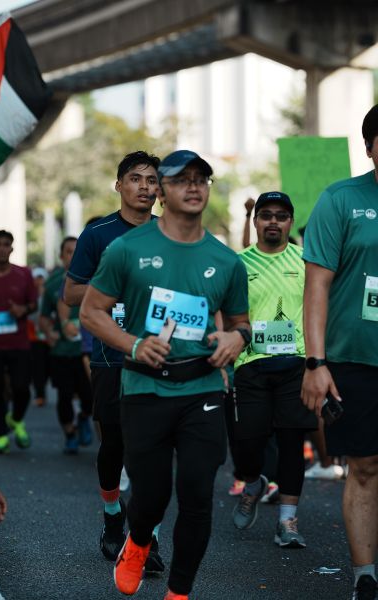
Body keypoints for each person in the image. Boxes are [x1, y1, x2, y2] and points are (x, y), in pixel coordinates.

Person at [80, 149, 250, 600]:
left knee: (197, 493)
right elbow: (90, 312)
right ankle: (137, 541)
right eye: (181, 179)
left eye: (201, 179)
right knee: (152, 493)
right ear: (164, 191)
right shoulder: (127, 249)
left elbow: (241, 322)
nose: (193, 186)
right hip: (145, 386)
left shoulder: (227, 260)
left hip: (203, 387)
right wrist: (134, 344)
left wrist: (237, 338)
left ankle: (179, 592)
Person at [64, 151, 164, 570]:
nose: (145, 186)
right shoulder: (98, 234)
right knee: (116, 445)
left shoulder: (171, 232)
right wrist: (118, 288)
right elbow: (71, 294)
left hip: (160, 357)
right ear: (119, 185)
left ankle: (148, 538)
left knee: (154, 450)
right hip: (111, 357)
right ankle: (111, 516)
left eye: (152, 180)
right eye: (136, 178)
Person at [301, 104, 378, 600]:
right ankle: (365, 576)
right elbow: (317, 286)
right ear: (370, 147)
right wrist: (316, 362)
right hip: (355, 359)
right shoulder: (341, 199)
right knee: (366, 466)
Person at [229, 191, 317, 549]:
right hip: (250, 364)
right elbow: (227, 312)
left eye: (281, 216)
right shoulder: (239, 263)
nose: (273, 221)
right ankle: (252, 482)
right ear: (256, 221)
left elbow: (318, 310)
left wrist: (318, 362)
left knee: (292, 443)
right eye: (266, 215)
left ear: (290, 222)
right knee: (248, 443)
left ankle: (287, 522)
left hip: (296, 364)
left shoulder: (307, 260)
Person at [0, 230, 37, 454]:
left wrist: (23, 309)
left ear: (12, 248)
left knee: (22, 388)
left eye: (6, 244)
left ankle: (16, 418)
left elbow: (34, 304)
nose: (2, 248)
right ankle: (1, 435)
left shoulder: (23, 274)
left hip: (18, 343)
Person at [39, 237, 93, 454]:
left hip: (88, 351)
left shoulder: (96, 278)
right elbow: (43, 317)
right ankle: (70, 433)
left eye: (77, 251)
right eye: (69, 252)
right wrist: (50, 333)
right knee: (64, 395)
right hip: (62, 351)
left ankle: (84, 417)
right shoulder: (53, 283)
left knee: (90, 395)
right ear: (61, 256)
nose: (74, 255)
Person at [28, 267, 50, 407]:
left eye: (41, 278)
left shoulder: (51, 294)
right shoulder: (29, 296)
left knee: (47, 366)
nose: (38, 281)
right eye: (36, 278)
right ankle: (40, 394)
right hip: (34, 338)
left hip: (49, 337)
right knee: (37, 367)